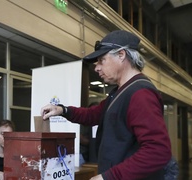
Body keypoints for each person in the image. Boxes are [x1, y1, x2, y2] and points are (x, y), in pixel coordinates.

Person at [41, 30, 172, 180]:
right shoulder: (121, 91)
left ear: (121, 55)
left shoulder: (140, 94)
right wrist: (63, 110)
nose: (96, 67)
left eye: (102, 60)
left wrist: (109, 177)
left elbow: (158, 151)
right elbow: (94, 114)